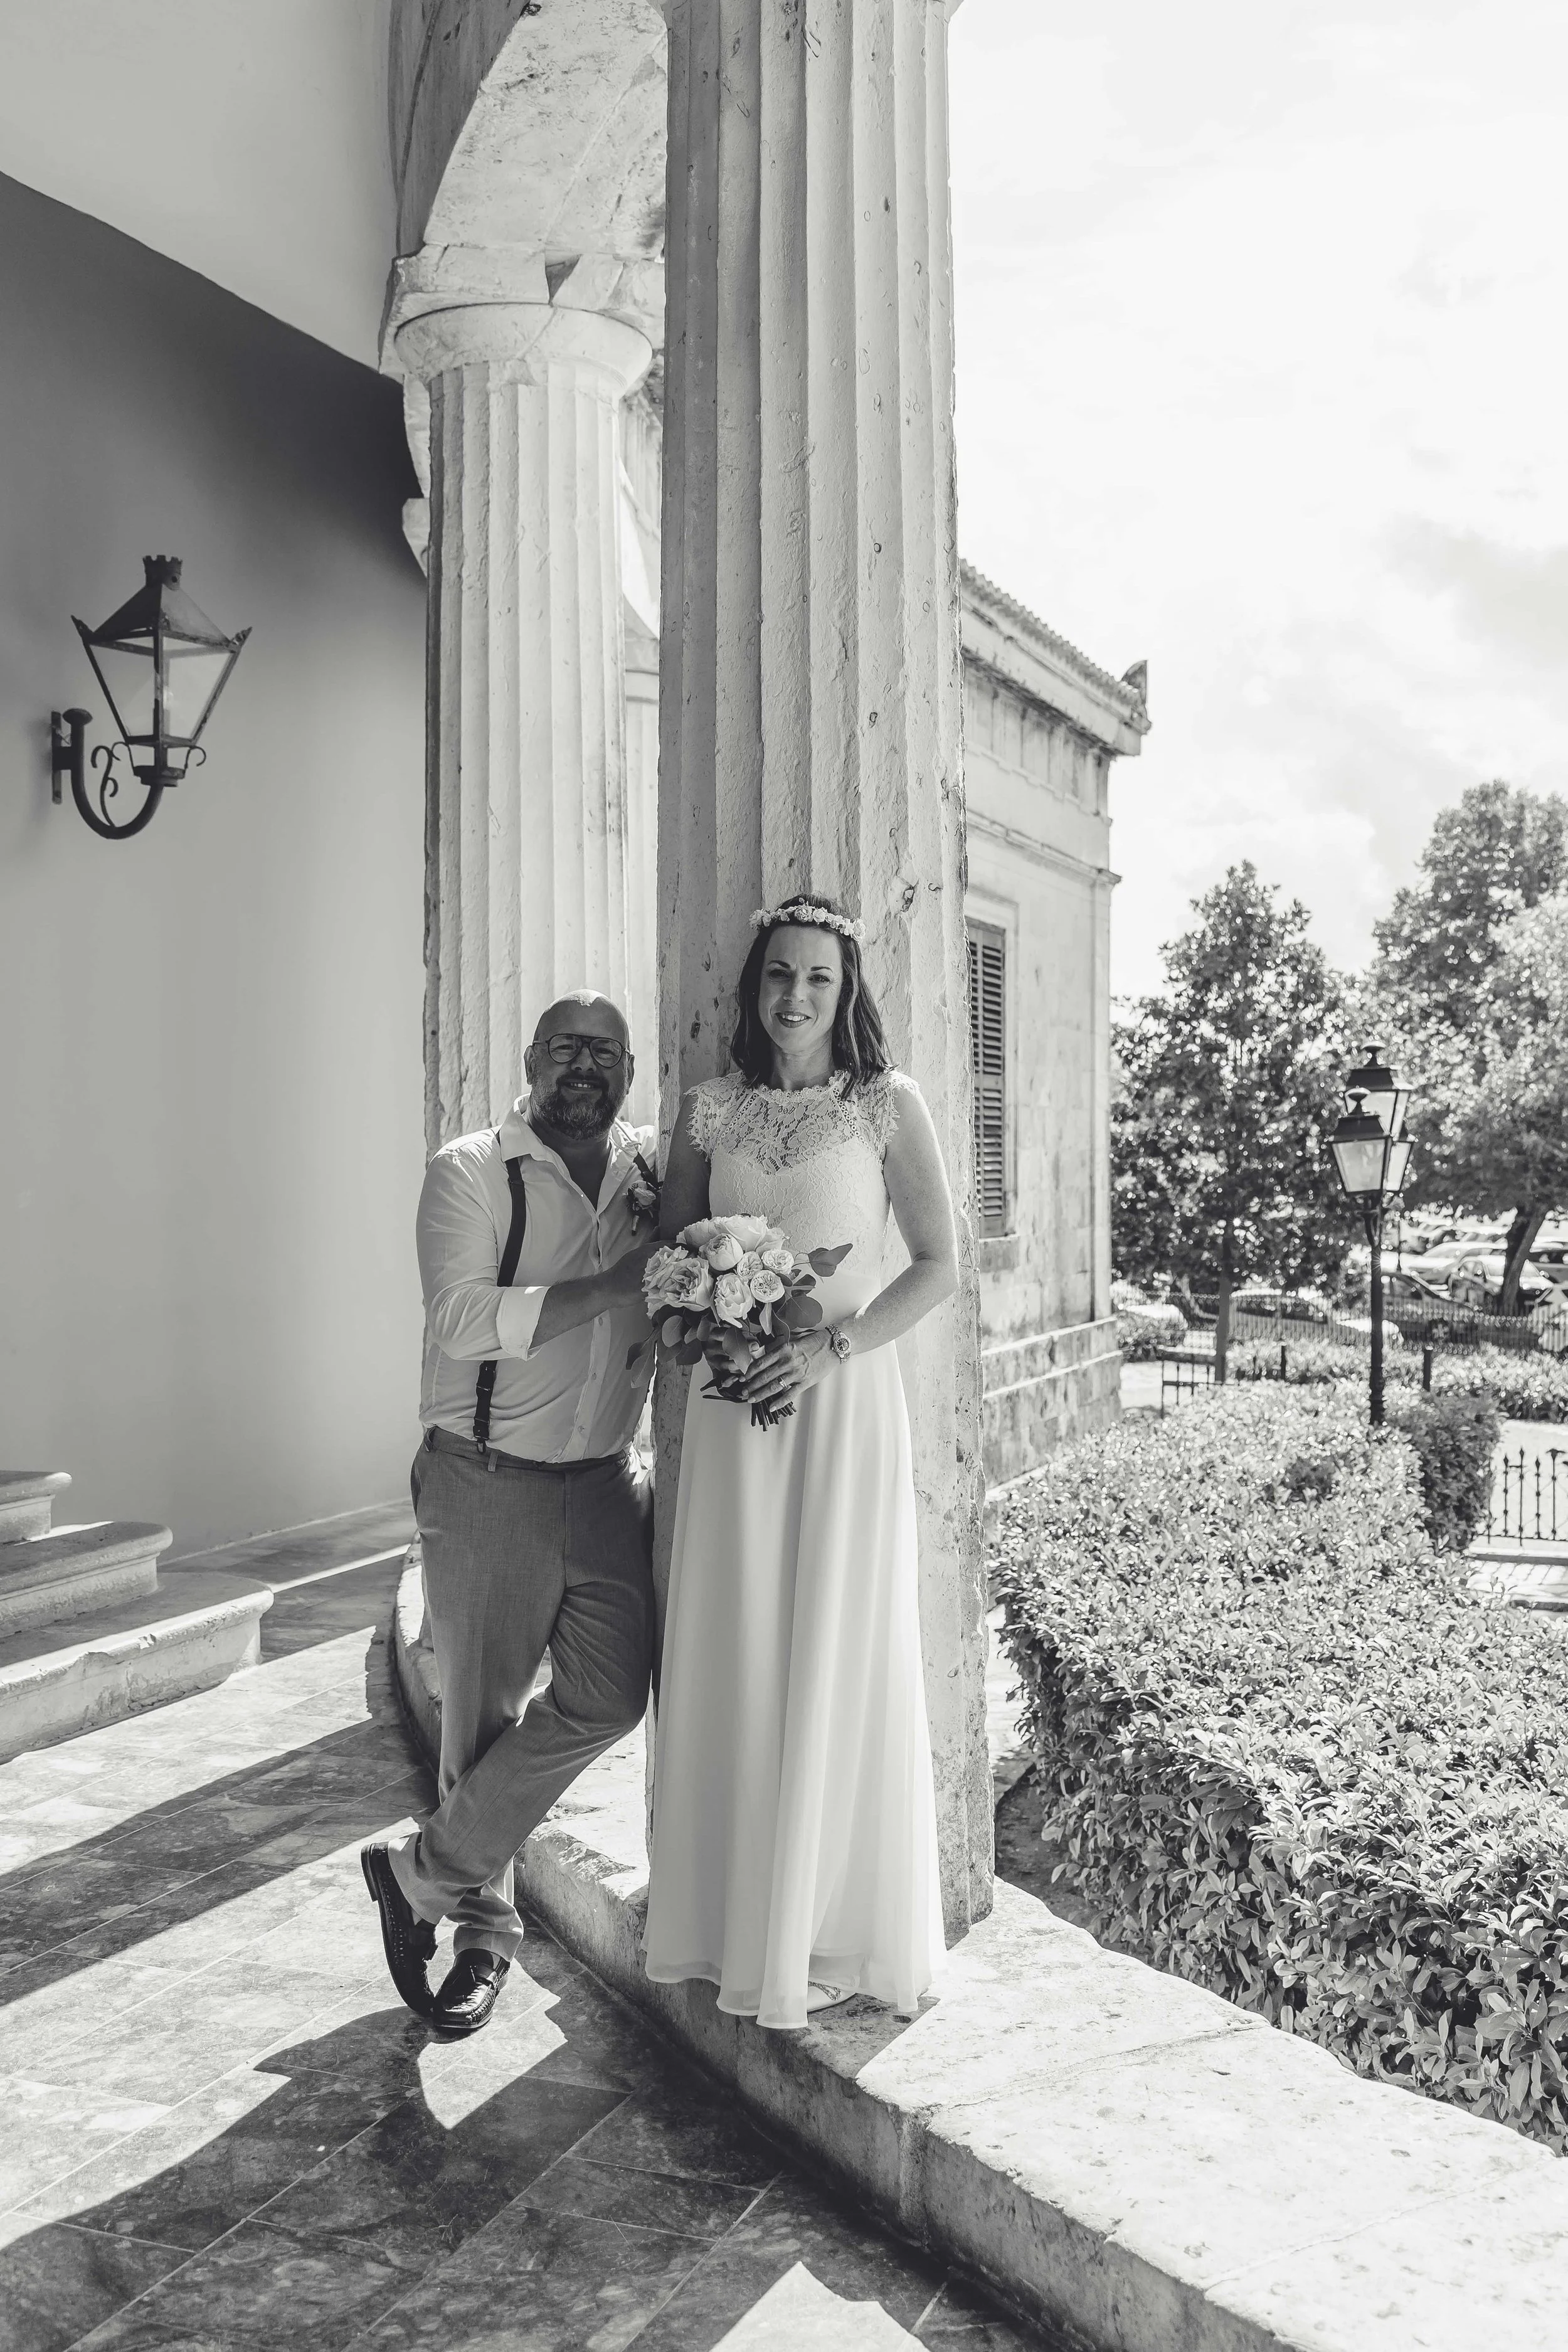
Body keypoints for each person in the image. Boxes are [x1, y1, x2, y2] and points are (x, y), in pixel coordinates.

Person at [642, 895, 958, 2028]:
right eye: (780, 973)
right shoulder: (710, 1111)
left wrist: (828, 1349)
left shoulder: (886, 1105)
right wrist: (714, 1325)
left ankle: (825, 1927)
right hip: (735, 1413)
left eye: (820, 978)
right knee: (738, 1641)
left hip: (842, 1401)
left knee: (834, 1640)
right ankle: (735, 1919)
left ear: (846, 989)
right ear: (755, 984)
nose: (796, 996)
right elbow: (672, 1260)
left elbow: (938, 1265)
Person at [362, 992, 658, 2037]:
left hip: (606, 1480)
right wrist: (617, 1283)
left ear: (630, 1072)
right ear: (531, 1060)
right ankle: (484, 1939)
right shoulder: (471, 1169)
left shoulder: (648, 1172)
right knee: (481, 1718)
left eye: (606, 1053)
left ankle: (419, 1873)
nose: (586, 1067)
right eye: (566, 1048)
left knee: (612, 1695)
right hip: (487, 1478)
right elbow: (460, 1318)